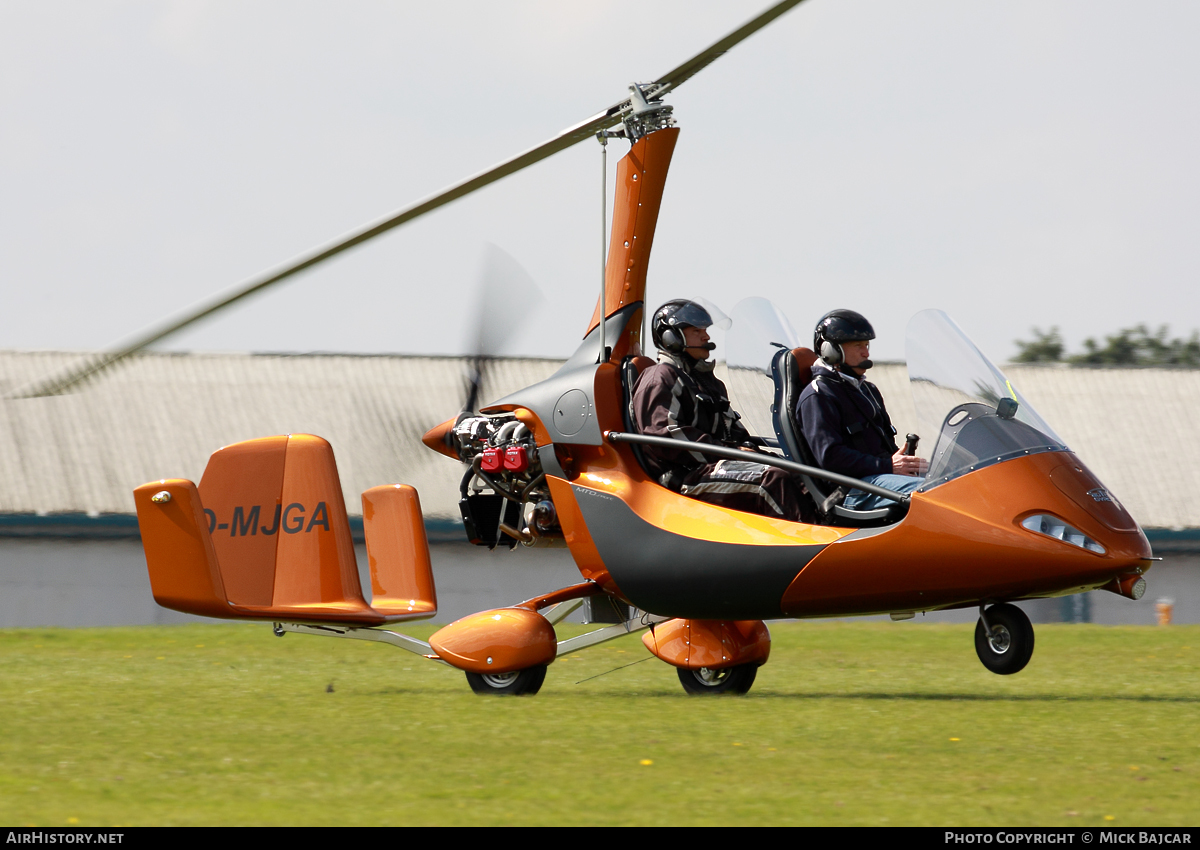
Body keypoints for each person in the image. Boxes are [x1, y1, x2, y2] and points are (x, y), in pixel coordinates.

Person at [632, 299, 812, 523]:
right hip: (685, 476)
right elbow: (664, 437)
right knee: (773, 479)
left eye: (706, 330)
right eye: (697, 331)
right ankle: (805, 545)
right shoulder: (660, 377)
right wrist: (728, 452)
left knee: (799, 473)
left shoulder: (710, 383)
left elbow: (734, 432)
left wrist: (749, 450)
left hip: (716, 465)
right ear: (671, 337)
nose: (706, 337)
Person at [796, 309, 927, 511]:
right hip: (850, 489)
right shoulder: (818, 395)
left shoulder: (868, 390)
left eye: (866, 345)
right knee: (929, 493)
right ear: (831, 350)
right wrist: (887, 466)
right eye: (858, 346)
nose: (866, 352)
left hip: (878, 478)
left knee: (951, 482)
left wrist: (899, 459)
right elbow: (830, 456)